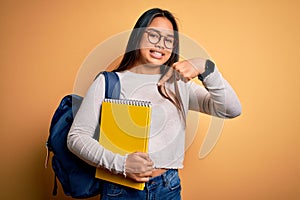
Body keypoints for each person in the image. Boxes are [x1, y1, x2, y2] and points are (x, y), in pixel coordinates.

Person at [67, 8, 241, 200]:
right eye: (153, 36)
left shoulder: (179, 86)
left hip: (168, 187)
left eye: (169, 40)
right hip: (121, 189)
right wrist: (121, 164)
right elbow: (77, 137)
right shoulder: (109, 82)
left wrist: (205, 67)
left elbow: (232, 110)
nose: (160, 45)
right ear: (138, 37)